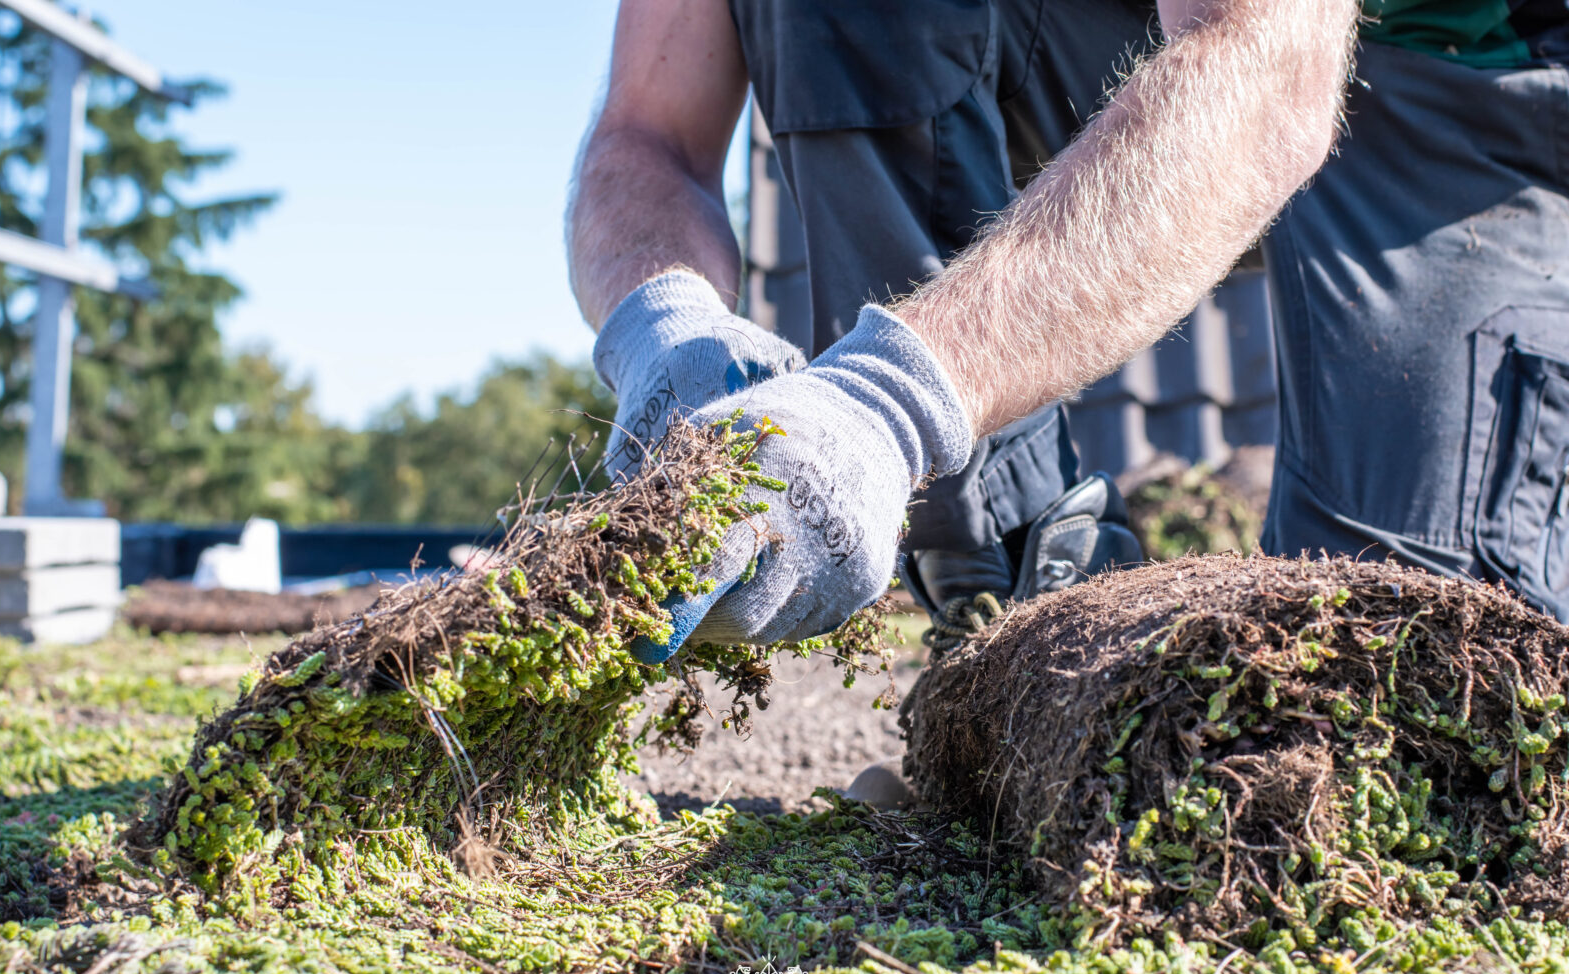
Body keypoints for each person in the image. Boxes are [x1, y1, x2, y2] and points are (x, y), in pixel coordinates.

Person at [568, 0, 1569, 662]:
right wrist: (669, 333)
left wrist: (884, 403)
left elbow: (1273, 72)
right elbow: (646, 133)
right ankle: (1016, 602)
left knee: (1395, 682)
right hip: (1135, 45)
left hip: (1467, 93)